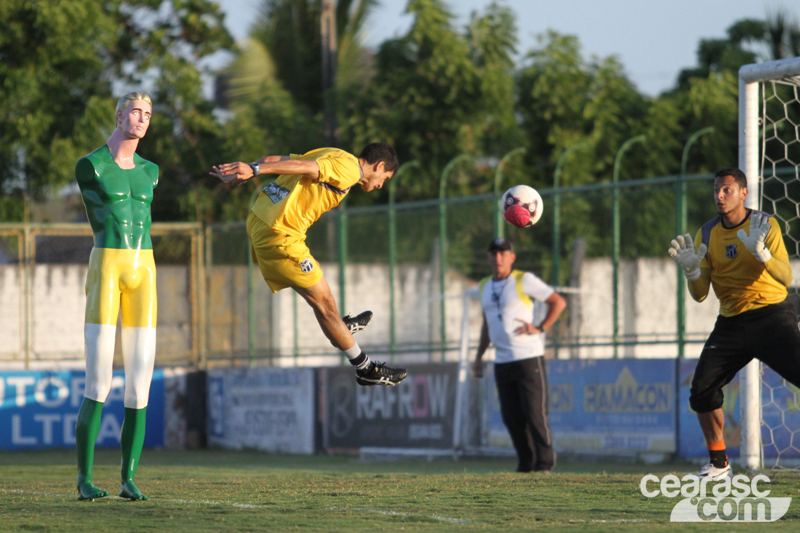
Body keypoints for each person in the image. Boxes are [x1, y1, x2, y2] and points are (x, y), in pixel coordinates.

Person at [210, 143, 407, 386]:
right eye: (384, 178)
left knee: (325, 302)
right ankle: (365, 368)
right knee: (325, 305)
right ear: (378, 166)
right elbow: (305, 166)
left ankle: (340, 328)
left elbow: (274, 156)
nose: (380, 185)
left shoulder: (337, 153)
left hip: (261, 219)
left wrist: (254, 169)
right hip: (279, 234)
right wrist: (254, 169)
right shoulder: (351, 170)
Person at [668, 167, 800, 480]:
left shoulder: (765, 224)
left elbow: (786, 278)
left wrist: (762, 253)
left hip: (772, 316)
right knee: (701, 390)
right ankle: (718, 464)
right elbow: (700, 295)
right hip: (731, 322)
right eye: (716, 190)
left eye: (727, 189)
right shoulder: (708, 233)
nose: (720, 196)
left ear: (744, 193)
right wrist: (691, 273)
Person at [74, 92, 159, 500]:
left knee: (140, 384)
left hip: (145, 270)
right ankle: (84, 479)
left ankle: (128, 478)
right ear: (119, 115)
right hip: (106, 266)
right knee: (99, 382)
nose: (141, 119)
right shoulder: (90, 165)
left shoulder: (151, 171)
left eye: (147, 114)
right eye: (135, 111)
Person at [472, 237, 567, 472]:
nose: (498, 258)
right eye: (493, 253)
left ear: (512, 257)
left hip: (528, 358)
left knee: (535, 414)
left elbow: (558, 302)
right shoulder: (484, 285)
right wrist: (478, 357)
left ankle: (544, 464)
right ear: (488, 258)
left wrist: (540, 327)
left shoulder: (524, 280)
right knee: (512, 418)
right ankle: (526, 464)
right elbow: (488, 324)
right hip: (502, 361)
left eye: (503, 253)